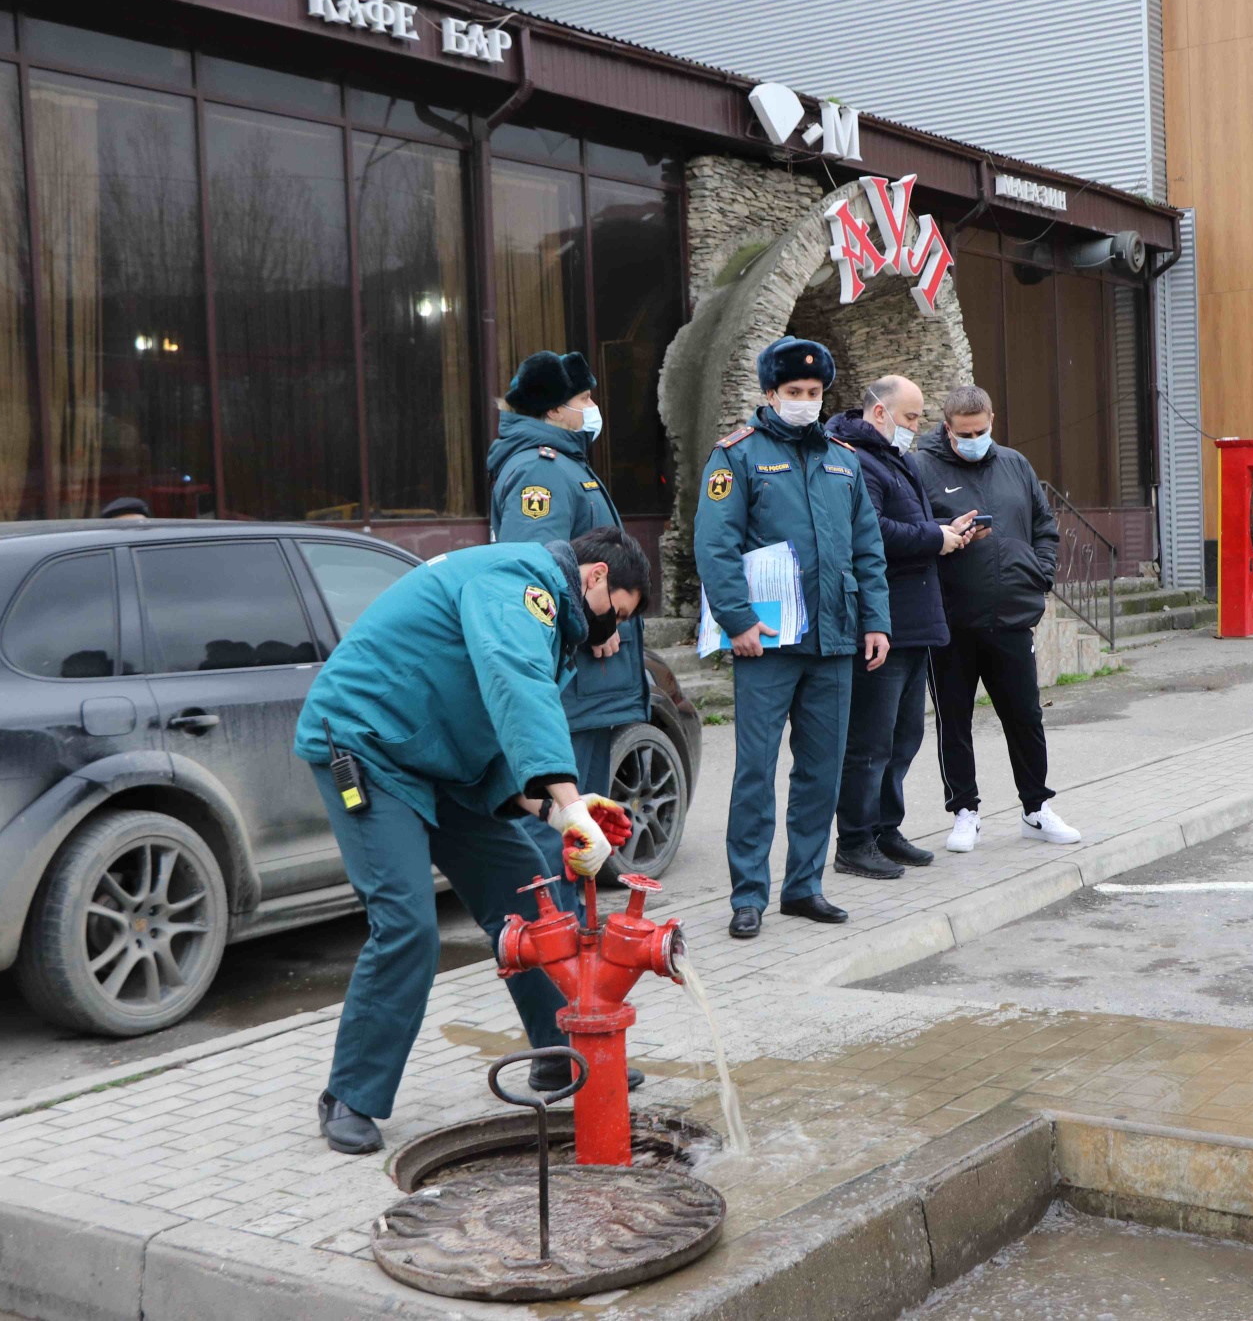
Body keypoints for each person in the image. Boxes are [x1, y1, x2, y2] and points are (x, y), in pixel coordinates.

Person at [293, 528, 650, 1154]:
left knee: (530, 902)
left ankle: (558, 1056)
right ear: (594, 576)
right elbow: (515, 683)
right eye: (615, 612)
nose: (610, 632)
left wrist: (553, 813)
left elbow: (489, 721)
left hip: (442, 762)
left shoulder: (554, 614)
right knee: (407, 924)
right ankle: (350, 1095)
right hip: (367, 745)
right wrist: (572, 802)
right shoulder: (520, 584)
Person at [695, 336, 890, 939]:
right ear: (770, 393)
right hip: (767, 642)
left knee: (821, 770)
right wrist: (737, 620)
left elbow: (867, 547)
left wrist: (876, 620)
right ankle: (748, 894)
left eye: (814, 392)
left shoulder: (842, 458)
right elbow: (715, 545)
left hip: (834, 638)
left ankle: (803, 887)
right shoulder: (737, 457)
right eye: (794, 392)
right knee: (755, 769)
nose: (805, 401)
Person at [487, 351, 649, 881]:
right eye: (584, 399)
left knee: (584, 804)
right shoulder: (542, 468)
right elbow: (532, 576)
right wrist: (591, 629)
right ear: (555, 410)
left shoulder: (566, 463)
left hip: (588, 679)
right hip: (572, 680)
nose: (593, 409)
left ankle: (582, 907)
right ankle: (553, 919)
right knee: (559, 809)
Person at [912, 384, 1081, 852]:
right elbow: (911, 534)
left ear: (992, 420)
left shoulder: (1015, 464)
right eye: (964, 433)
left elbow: (1045, 527)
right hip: (950, 622)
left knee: (1025, 716)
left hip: (1010, 615)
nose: (973, 439)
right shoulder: (921, 467)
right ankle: (964, 812)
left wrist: (1041, 575)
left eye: (981, 430)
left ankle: (1035, 809)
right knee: (955, 721)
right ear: (947, 428)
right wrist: (944, 536)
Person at [826, 376, 979, 879]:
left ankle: (884, 828)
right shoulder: (854, 460)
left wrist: (948, 530)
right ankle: (854, 841)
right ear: (879, 413)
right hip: (882, 622)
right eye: (910, 418)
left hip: (913, 622)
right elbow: (870, 533)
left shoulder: (892, 458)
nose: (917, 428)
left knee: (904, 736)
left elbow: (908, 523)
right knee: (870, 741)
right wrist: (934, 538)